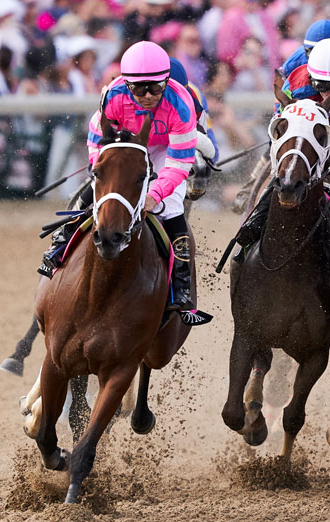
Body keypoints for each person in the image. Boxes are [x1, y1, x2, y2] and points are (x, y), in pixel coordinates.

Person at [37, 41, 210, 326]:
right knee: (99, 193)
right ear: (126, 84)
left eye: (156, 88)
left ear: (167, 81)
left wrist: (154, 195)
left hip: (167, 148)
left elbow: (179, 165)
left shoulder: (181, 105)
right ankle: (59, 245)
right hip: (129, 144)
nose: (148, 96)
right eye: (139, 89)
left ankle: (181, 289)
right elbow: (97, 140)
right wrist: (102, 170)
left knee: (172, 207)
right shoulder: (113, 96)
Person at [236, 38, 330, 278]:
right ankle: (255, 222)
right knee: (287, 170)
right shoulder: (296, 83)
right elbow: (281, 124)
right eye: (320, 84)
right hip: (309, 125)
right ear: (310, 77)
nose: (326, 92)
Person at [231, 18, 330, 214]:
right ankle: (251, 189)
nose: (318, 58)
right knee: (278, 141)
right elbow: (282, 96)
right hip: (304, 115)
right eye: (311, 54)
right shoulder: (295, 61)